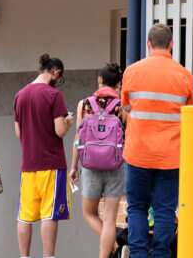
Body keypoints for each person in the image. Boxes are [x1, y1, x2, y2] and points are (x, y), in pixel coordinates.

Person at [121, 24, 193, 258]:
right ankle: (161, 254)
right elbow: (189, 112)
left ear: (148, 44)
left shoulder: (131, 72)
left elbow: (126, 107)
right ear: (171, 44)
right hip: (170, 155)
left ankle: (138, 254)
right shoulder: (184, 75)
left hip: (137, 153)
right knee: (164, 210)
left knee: (137, 208)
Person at [15, 54, 74, 258]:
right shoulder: (53, 95)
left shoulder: (20, 95)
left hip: (28, 164)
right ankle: (48, 256)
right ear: (55, 71)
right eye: (60, 76)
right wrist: (69, 121)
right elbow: (59, 130)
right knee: (49, 214)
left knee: (25, 216)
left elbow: (18, 133)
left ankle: (24, 256)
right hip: (51, 163)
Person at [69, 63, 126, 258]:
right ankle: (111, 249)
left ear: (100, 81)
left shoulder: (84, 104)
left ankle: (116, 245)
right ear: (118, 83)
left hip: (90, 165)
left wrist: (73, 166)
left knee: (89, 213)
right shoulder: (122, 106)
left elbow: (78, 138)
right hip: (116, 165)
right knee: (110, 219)